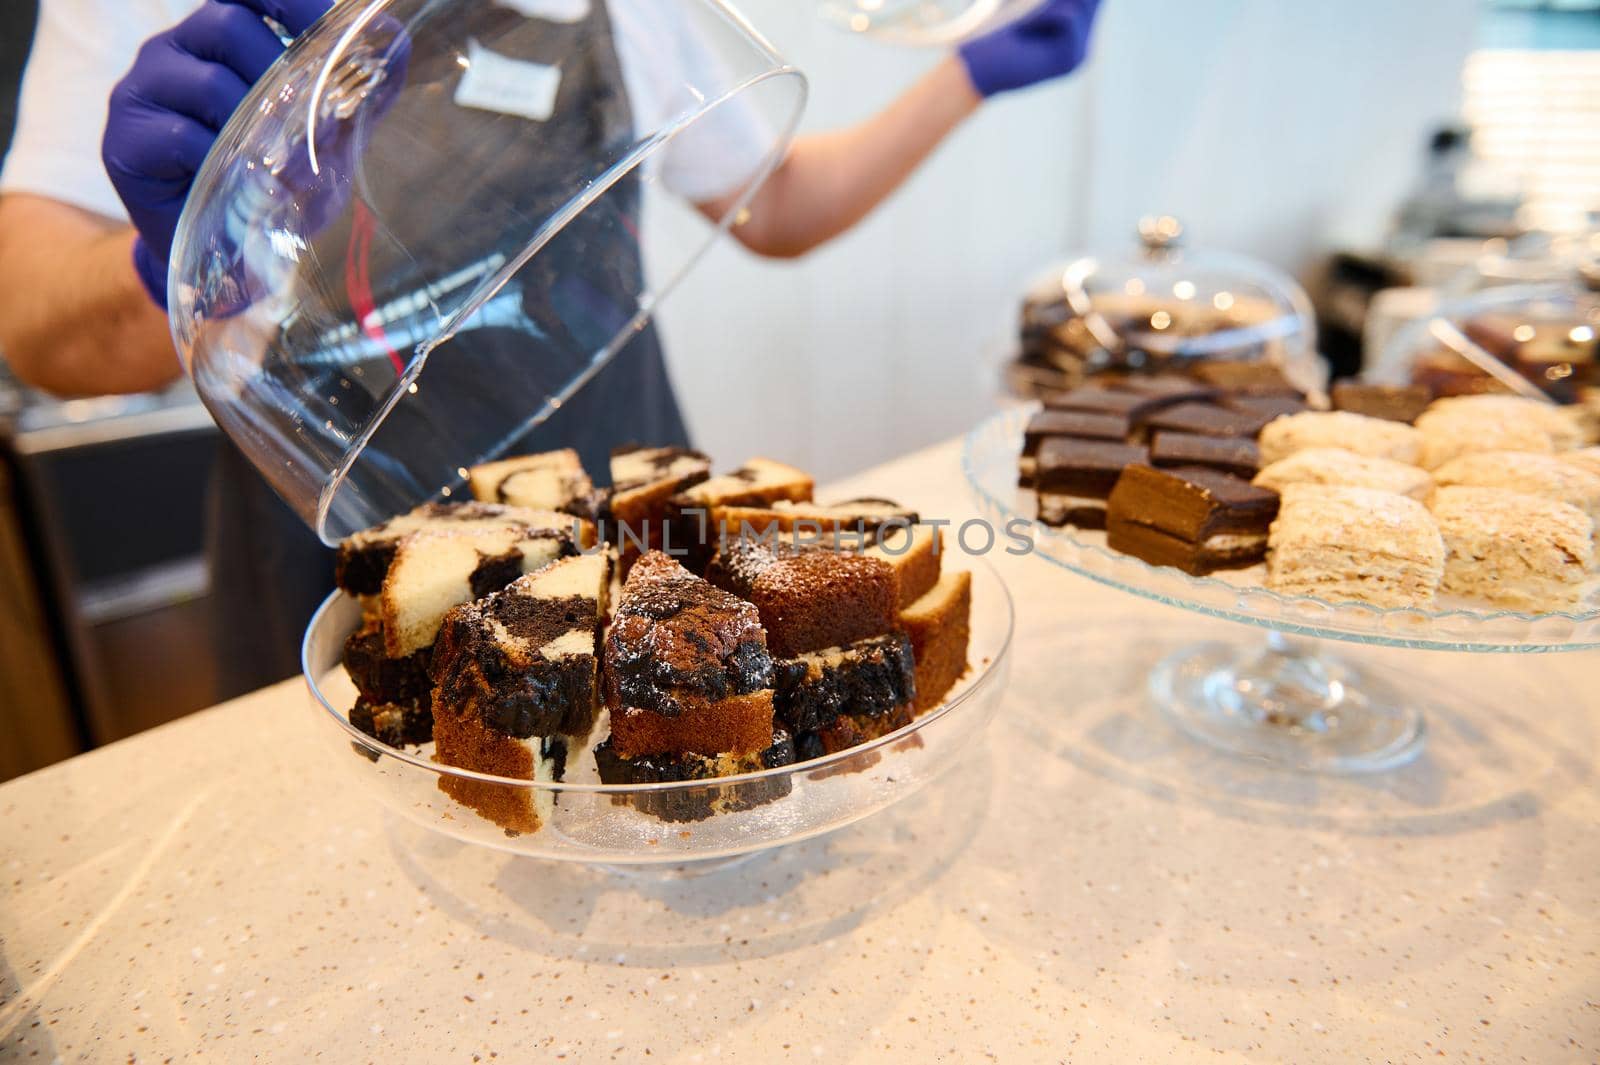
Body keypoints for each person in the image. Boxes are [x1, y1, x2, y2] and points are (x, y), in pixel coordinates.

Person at [0, 0, 1102, 695]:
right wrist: (185, 262)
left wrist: (974, 72)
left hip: (632, 507)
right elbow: (39, 332)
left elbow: (773, 203)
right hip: (348, 558)